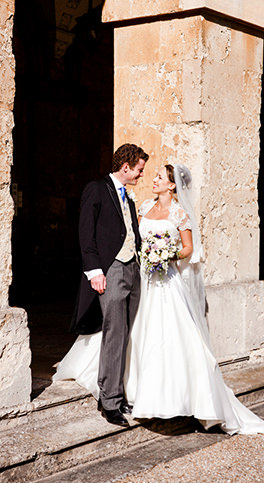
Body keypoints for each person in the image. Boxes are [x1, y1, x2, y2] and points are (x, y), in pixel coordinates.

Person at [57, 163, 264, 435]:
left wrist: (167, 254)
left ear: (172, 185)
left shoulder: (180, 214)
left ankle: (167, 396)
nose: (153, 179)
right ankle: (121, 389)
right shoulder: (142, 207)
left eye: (159, 177)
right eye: (152, 174)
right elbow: (131, 238)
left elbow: (189, 250)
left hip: (165, 281)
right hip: (140, 278)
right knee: (130, 331)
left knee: (164, 337)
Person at [64, 143, 147, 427]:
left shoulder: (130, 196)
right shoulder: (96, 189)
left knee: (125, 333)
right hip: (110, 270)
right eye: (139, 170)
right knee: (114, 333)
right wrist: (94, 271)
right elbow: (86, 233)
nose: (140, 175)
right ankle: (110, 402)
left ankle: (114, 392)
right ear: (126, 167)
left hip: (132, 268)